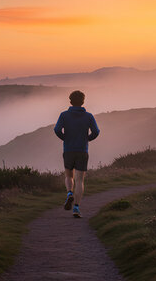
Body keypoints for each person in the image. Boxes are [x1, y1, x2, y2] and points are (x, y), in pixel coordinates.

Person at [53, 90, 99, 218]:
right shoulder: (89, 116)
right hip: (82, 150)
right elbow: (96, 131)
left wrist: (65, 138)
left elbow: (57, 129)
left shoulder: (64, 115)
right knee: (80, 180)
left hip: (68, 149)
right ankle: (76, 208)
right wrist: (87, 139)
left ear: (70, 101)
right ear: (83, 101)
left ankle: (69, 193)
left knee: (68, 175)